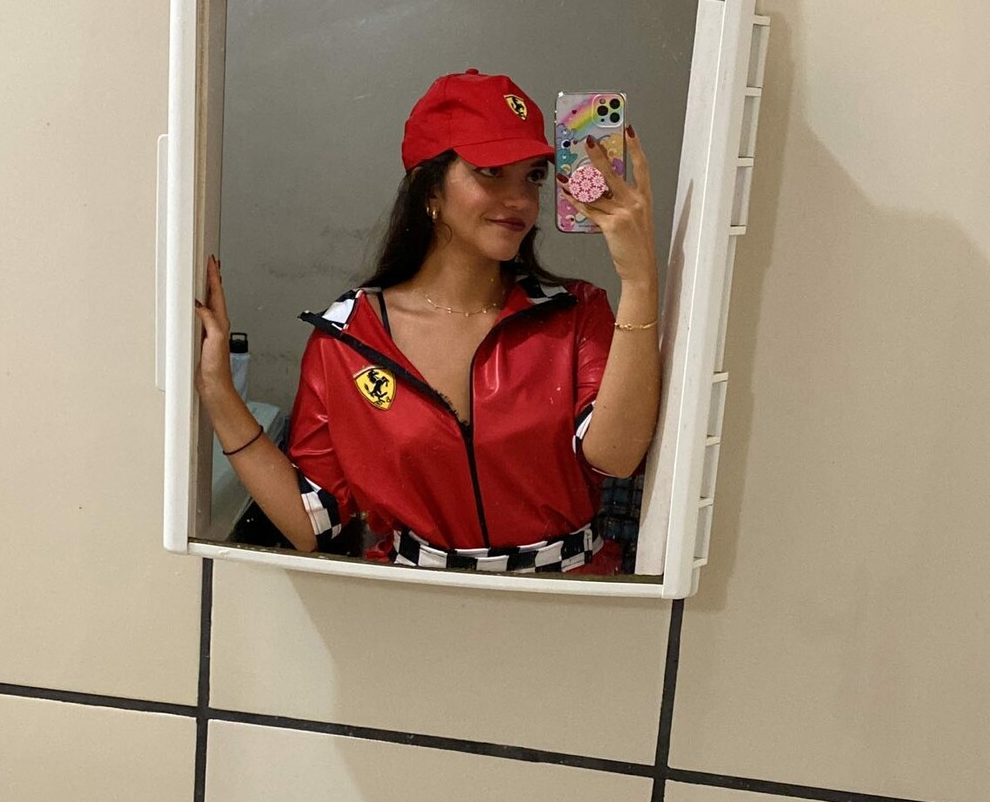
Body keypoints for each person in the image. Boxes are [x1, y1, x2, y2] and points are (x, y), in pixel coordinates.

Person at [194, 69, 660, 575]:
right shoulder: (350, 338)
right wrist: (218, 390)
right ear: (428, 189)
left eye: (533, 176)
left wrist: (638, 280)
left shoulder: (575, 313)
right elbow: (312, 522)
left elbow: (616, 456)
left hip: (574, 598)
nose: (521, 200)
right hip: (416, 601)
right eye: (490, 171)